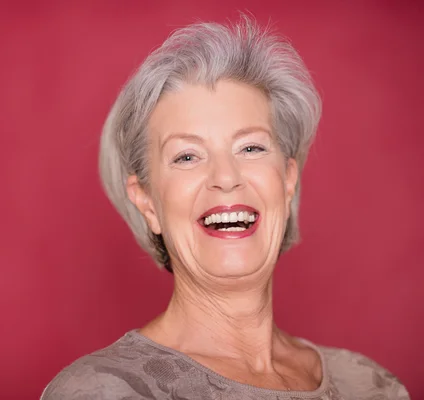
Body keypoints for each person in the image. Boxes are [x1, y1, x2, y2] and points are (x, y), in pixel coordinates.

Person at [42, 17, 410, 399]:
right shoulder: (103, 391)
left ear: (287, 179)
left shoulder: (371, 385)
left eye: (251, 148)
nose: (226, 176)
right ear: (147, 202)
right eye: (187, 156)